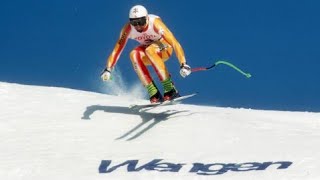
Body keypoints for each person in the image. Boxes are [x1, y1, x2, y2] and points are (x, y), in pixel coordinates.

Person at [101, 5, 191, 103]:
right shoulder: (127, 29)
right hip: (148, 52)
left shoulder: (155, 23)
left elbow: (174, 42)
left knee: (150, 50)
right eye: (134, 23)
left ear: (147, 19)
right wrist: (108, 69)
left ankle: (170, 89)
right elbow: (117, 50)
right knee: (133, 54)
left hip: (164, 48)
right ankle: (153, 92)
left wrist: (183, 64)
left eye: (141, 22)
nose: (138, 26)